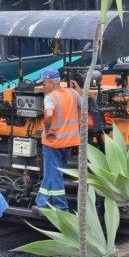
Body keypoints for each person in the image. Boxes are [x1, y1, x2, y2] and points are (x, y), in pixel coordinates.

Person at [35, 68, 80, 211]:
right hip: (69, 142)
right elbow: (85, 105)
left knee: (54, 176)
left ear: (51, 83)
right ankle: (42, 204)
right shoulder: (72, 93)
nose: (43, 87)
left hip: (53, 143)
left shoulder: (50, 98)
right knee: (51, 174)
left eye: (44, 84)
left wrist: (47, 131)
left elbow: (48, 115)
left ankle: (61, 207)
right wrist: (78, 88)